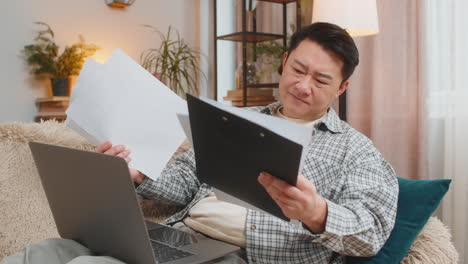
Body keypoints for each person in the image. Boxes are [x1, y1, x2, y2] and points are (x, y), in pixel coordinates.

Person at [2, 22, 398, 264]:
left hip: (246, 256)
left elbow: (373, 231)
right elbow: (186, 179)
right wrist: (137, 174)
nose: (302, 85)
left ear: (342, 87)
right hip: (179, 238)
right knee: (45, 253)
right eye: (298, 69)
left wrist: (316, 212)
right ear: (284, 61)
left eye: (321, 80)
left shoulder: (355, 151)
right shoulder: (241, 120)